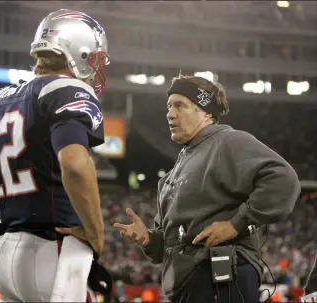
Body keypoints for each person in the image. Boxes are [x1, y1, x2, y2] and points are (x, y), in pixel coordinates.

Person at [0, 9, 111, 302]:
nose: (96, 68)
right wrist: (95, 231)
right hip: (53, 255)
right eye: (94, 58)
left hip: (5, 263)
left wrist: (2, 234)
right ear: (78, 53)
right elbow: (76, 167)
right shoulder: (67, 90)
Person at [114, 74, 301, 303]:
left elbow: (284, 178)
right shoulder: (174, 173)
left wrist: (236, 223)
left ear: (205, 112)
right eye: (169, 106)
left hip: (222, 276)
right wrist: (149, 240)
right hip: (189, 282)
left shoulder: (228, 142)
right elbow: (173, 243)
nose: (170, 114)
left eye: (180, 105)